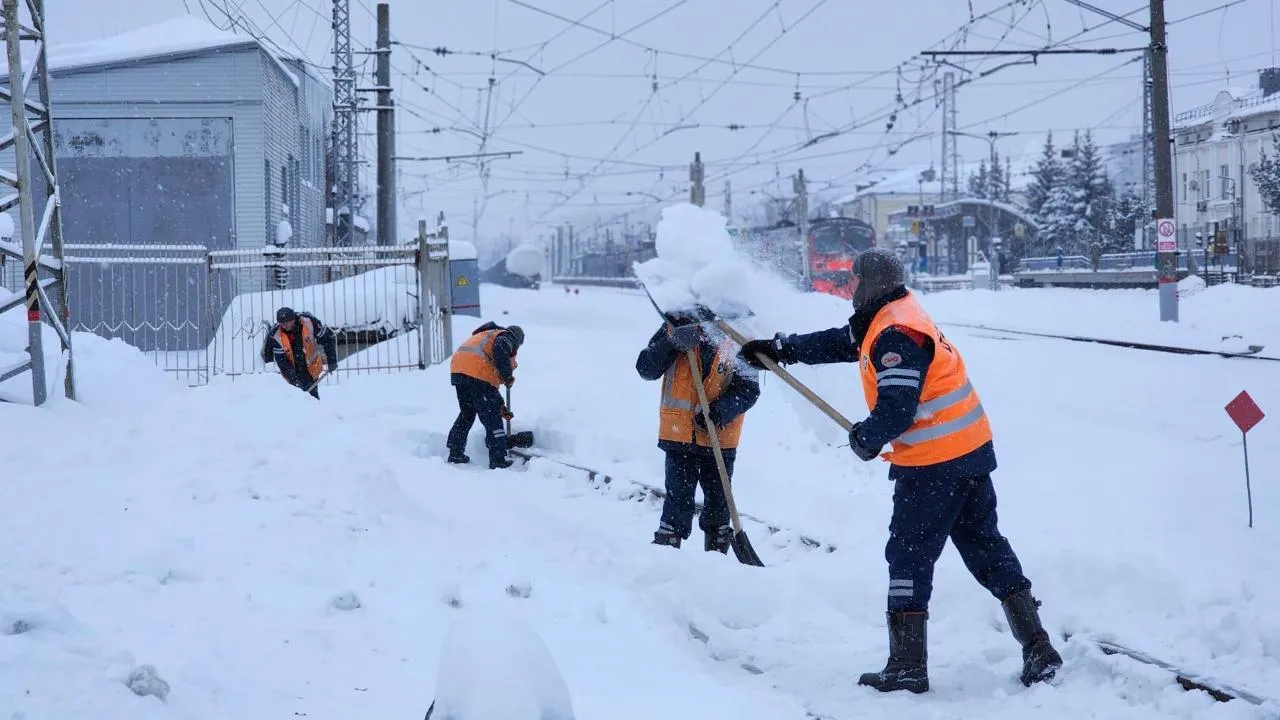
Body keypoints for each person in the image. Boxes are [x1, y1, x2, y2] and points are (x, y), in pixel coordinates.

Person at [737, 248, 1062, 694]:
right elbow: (841, 342)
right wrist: (780, 349)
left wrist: (866, 437)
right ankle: (1038, 645)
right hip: (969, 455)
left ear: (870, 284)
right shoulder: (892, 314)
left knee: (908, 556)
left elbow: (897, 410)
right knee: (986, 547)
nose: (850, 288)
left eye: (854, 281)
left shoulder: (895, 334)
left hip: (934, 466)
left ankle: (907, 665)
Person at [635, 311, 761, 554]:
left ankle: (716, 557)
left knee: (718, 505)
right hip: (678, 435)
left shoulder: (739, 334)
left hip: (720, 438)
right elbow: (645, 368)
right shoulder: (677, 325)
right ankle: (667, 552)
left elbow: (749, 389)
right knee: (677, 503)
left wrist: (719, 412)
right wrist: (672, 343)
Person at [447, 321, 524, 469]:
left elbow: (489, 390)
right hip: (476, 372)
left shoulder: (486, 336)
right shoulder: (506, 337)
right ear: (517, 340)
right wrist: (507, 376)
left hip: (459, 370)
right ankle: (498, 459)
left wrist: (501, 406)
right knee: (492, 417)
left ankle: (455, 452)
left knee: (467, 413)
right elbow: (500, 351)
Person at [263, 307, 338, 398]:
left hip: (311, 368)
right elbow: (282, 362)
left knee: (312, 398)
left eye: (286, 323)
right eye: (281, 324)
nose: (284, 326)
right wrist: (296, 381)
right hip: (292, 370)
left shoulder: (309, 322)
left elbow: (327, 340)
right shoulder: (276, 335)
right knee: (296, 399)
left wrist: (332, 360)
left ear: (293, 319)